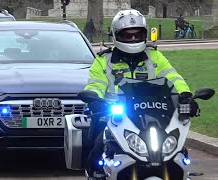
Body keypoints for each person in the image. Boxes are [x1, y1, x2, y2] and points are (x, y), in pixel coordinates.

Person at [83, 9, 200, 179]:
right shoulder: (103, 61)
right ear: (116, 36)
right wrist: (94, 100)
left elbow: (173, 77)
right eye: (127, 35)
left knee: (177, 148)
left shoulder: (154, 57)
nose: (133, 39)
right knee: (99, 146)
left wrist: (186, 96)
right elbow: (95, 85)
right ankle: (94, 175)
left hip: (153, 113)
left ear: (144, 34)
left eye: (137, 35)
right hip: (115, 117)